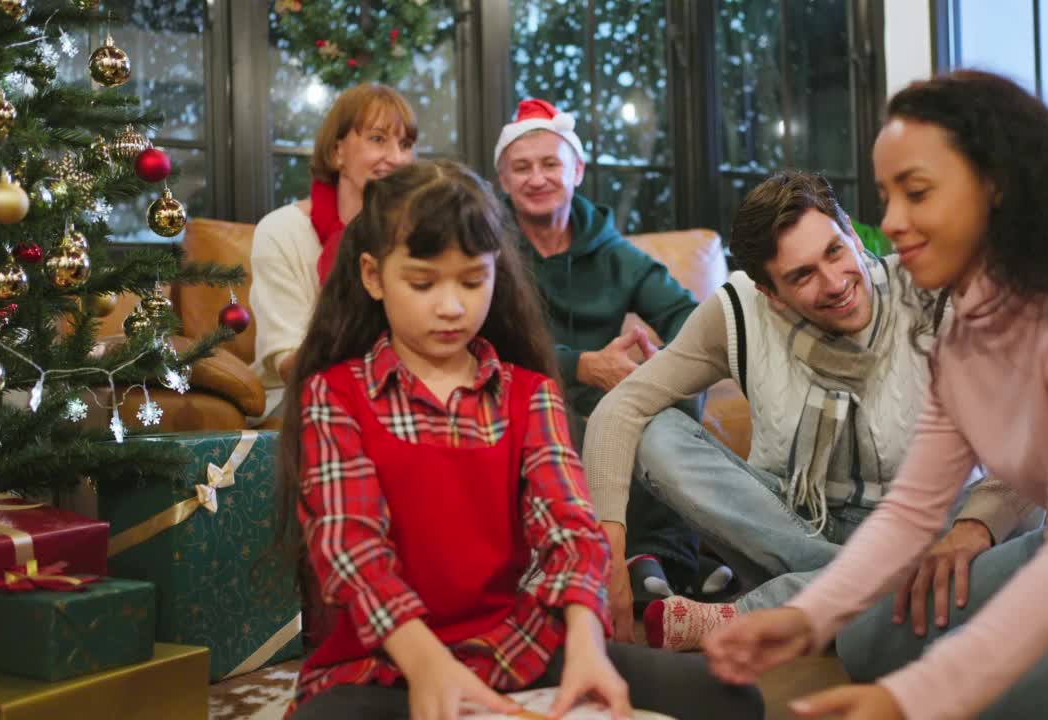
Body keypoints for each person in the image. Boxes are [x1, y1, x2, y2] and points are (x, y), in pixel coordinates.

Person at [705, 70, 1048, 720]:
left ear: (996, 187)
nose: (891, 223)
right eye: (886, 196)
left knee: (977, 700)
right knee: (868, 635)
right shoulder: (965, 330)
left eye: (917, 193)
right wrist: (806, 615)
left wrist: (910, 699)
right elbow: (910, 513)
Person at [273, 160, 764, 720]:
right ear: (372, 275)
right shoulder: (333, 395)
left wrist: (586, 643)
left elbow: (571, 529)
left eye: (472, 279)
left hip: (515, 645)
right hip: (386, 659)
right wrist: (430, 666)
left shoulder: (528, 393)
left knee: (733, 696)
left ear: (496, 273)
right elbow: (352, 550)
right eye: (422, 282)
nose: (451, 306)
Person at [582, 168, 1039, 649]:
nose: (835, 282)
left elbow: (1037, 430)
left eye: (835, 251)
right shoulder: (738, 312)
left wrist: (973, 528)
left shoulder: (938, 294)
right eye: (802, 275)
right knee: (656, 431)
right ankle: (865, 594)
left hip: (927, 525)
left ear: (853, 237)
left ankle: (758, 612)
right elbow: (622, 407)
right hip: (792, 527)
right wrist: (608, 551)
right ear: (771, 294)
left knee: (1018, 510)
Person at [494, 97, 729, 615]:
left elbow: (691, 320)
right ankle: (672, 562)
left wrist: (664, 359)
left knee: (674, 390)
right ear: (505, 181)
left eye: (550, 164)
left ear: (576, 170)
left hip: (610, 401)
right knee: (581, 420)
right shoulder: (491, 249)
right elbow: (490, 346)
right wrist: (581, 363)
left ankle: (659, 556)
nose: (537, 178)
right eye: (522, 167)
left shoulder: (612, 251)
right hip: (531, 400)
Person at [250, 83, 416, 420]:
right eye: (378, 139)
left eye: (406, 144)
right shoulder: (281, 231)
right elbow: (288, 362)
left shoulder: (419, 233)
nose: (397, 158)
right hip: (301, 397)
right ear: (337, 152)